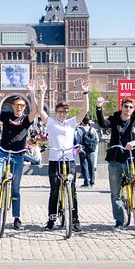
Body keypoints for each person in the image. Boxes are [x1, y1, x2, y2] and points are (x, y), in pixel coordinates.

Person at [0, 78, 38, 230]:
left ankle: (16, 217)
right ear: (12, 106)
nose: (19, 107)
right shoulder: (6, 115)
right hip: (3, 152)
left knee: (15, 188)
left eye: (21, 105)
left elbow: (36, 111)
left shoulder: (27, 119)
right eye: (16, 105)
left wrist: (32, 93)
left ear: (24, 107)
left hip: (18, 155)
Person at [38, 78, 89, 232]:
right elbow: (40, 110)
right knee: (54, 190)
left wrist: (85, 92)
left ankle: (75, 220)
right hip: (54, 159)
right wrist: (42, 92)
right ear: (56, 112)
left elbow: (85, 110)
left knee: (72, 189)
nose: (62, 114)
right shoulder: (51, 122)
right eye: (60, 112)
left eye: (65, 112)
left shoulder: (71, 123)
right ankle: (51, 219)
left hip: (69, 160)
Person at [96, 96, 135, 230]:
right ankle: (119, 222)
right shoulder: (114, 119)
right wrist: (99, 108)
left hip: (132, 159)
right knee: (115, 193)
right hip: (116, 159)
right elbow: (103, 124)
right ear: (122, 107)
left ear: (133, 109)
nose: (128, 109)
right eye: (126, 106)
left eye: (131, 107)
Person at [76, 115, 99, 187]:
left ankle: (86, 183)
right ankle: (92, 182)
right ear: (89, 121)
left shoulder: (79, 129)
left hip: (82, 150)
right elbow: (97, 139)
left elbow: (77, 140)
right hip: (91, 150)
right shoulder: (92, 129)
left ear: (82, 121)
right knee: (91, 166)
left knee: (84, 166)